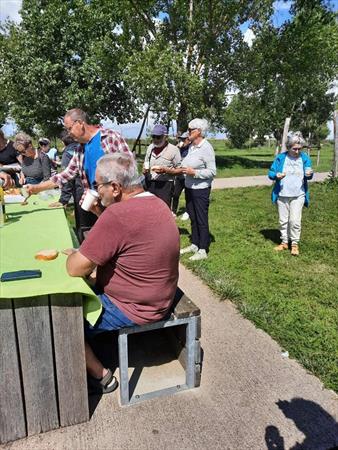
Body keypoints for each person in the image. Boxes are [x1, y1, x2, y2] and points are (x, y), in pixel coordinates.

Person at [66, 153, 180, 394]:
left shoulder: (118, 216)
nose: (97, 191)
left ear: (116, 187)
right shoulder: (157, 202)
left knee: (62, 323)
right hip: (159, 297)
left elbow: (75, 268)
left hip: (134, 307)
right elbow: (126, 236)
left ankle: (103, 377)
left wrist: (73, 255)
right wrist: (102, 214)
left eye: (98, 185)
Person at [26, 108, 132, 240]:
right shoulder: (79, 149)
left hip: (116, 204)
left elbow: (130, 169)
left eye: (69, 128)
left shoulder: (110, 138)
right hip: (94, 204)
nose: (68, 134)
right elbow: (65, 175)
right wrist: (36, 188)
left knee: (118, 239)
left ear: (80, 123)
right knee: (96, 239)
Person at [153, 119, 216, 261]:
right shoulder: (192, 147)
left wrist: (195, 173)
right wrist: (167, 169)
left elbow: (212, 172)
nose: (188, 133)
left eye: (190, 130)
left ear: (199, 131)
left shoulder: (207, 148)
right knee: (193, 217)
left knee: (201, 219)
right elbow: (183, 165)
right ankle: (195, 243)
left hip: (201, 189)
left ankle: (203, 249)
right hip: (189, 187)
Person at [268, 131, 313, 256]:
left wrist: (309, 174)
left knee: (294, 220)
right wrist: (276, 175)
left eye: (299, 148)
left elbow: (308, 174)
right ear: (288, 147)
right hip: (282, 194)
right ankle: (284, 242)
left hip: (298, 194)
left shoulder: (305, 158)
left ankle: (294, 244)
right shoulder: (281, 158)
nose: (297, 151)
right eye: (294, 149)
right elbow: (271, 173)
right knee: (283, 220)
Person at [143, 124, 181, 207]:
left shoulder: (174, 150)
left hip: (165, 186)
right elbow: (146, 162)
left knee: (163, 210)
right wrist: (145, 169)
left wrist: (167, 170)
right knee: (148, 209)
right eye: (153, 136)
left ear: (165, 137)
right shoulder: (150, 147)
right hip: (149, 183)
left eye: (158, 137)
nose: (155, 139)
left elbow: (180, 170)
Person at [171, 131, 190, 217]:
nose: (182, 141)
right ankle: (174, 211)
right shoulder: (178, 148)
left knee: (188, 195)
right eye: (181, 139)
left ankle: (188, 211)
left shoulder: (191, 149)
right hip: (179, 175)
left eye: (183, 139)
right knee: (175, 194)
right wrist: (176, 148)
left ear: (188, 139)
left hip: (188, 176)